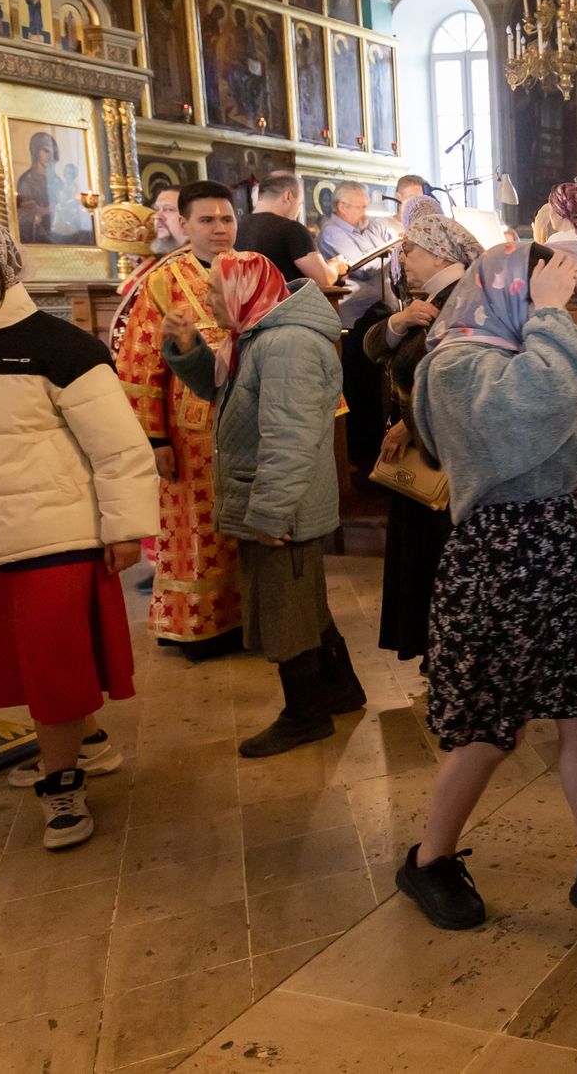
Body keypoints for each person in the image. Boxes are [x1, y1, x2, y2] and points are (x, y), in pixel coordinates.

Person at [398, 240, 577, 931]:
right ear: (504, 290)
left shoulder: (540, 351)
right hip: (498, 556)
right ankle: (428, 860)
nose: (552, 308)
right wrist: (553, 318)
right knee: (490, 727)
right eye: (540, 293)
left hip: (560, 542)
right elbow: (537, 403)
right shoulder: (454, 364)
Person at [0, 211, 156, 849]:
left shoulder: (57, 344)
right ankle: (87, 743)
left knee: (53, 664)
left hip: (59, 533)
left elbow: (119, 447)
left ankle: (62, 782)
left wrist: (125, 528)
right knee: (27, 661)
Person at [163, 252, 368, 756]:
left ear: (244, 292)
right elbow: (226, 396)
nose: (208, 297)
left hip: (282, 501)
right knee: (300, 600)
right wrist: (187, 349)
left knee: (285, 611)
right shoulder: (256, 335)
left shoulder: (286, 344)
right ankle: (341, 689)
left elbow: (290, 438)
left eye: (216, 289)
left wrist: (271, 513)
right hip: (273, 494)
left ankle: (305, 715)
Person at [112, 182, 245, 657]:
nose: (219, 229)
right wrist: (154, 439)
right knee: (197, 530)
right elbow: (139, 365)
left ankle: (249, 620)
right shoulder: (163, 281)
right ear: (184, 224)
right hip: (191, 434)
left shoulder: (255, 270)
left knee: (246, 528)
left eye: (227, 219)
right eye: (207, 220)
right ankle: (198, 627)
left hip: (247, 425)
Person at [364, 213, 486, 661]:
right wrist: (398, 323)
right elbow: (373, 349)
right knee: (423, 557)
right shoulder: (428, 299)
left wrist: (408, 421)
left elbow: (459, 381)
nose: (402, 259)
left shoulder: (463, 299)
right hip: (423, 449)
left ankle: (449, 655)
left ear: (438, 254)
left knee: (439, 556)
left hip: (444, 459)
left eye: (410, 250)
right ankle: (438, 653)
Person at [317, 179, 402, 471]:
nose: (366, 212)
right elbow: (362, 267)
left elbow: (394, 248)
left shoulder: (372, 227)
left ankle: (379, 441)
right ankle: (361, 452)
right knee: (360, 386)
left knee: (381, 385)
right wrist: (388, 254)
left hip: (381, 315)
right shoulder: (332, 232)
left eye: (367, 206)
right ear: (342, 207)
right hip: (354, 322)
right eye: (360, 207)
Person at [241, 171, 341, 286]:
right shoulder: (291, 229)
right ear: (287, 196)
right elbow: (324, 279)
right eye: (299, 204)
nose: (298, 212)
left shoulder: (237, 228)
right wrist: (336, 267)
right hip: (285, 298)